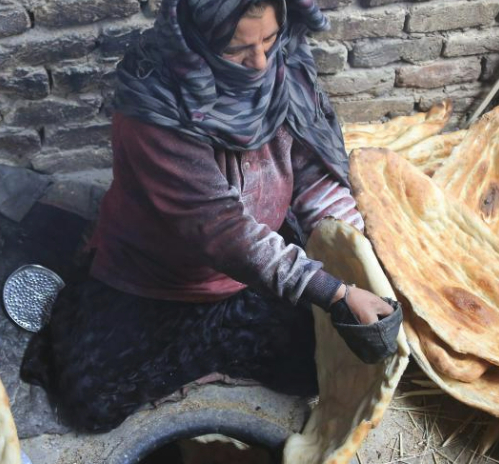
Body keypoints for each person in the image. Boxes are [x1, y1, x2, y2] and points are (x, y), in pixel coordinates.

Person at [21, 0, 400, 433]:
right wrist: (331, 291)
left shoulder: (285, 70)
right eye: (236, 50)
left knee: (313, 371)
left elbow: (313, 172)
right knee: (90, 401)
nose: (259, 63)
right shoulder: (154, 110)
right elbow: (223, 230)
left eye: (269, 39)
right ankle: (206, 342)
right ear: (196, 41)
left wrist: (358, 248)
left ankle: (219, 341)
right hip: (158, 277)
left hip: (261, 264)